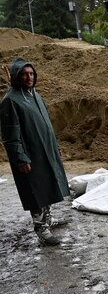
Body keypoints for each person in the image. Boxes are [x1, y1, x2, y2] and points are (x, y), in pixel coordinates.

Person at [0, 57, 70, 246]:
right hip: (29, 154)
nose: (28, 77)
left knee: (47, 186)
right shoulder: (10, 101)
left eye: (31, 74)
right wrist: (20, 158)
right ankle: (41, 229)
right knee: (36, 191)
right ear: (16, 76)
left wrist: (55, 147)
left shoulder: (35, 95)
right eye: (23, 74)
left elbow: (47, 125)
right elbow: (10, 136)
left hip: (45, 150)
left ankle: (48, 220)